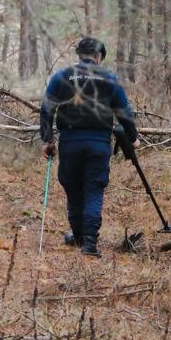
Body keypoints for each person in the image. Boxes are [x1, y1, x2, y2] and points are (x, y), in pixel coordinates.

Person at [38, 36, 138, 256]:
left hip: (70, 142)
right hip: (98, 143)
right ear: (98, 56)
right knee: (93, 190)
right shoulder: (109, 79)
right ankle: (89, 243)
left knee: (73, 190)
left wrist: (47, 140)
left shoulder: (62, 77)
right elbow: (124, 112)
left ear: (80, 55)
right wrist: (133, 137)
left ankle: (79, 236)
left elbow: (46, 109)